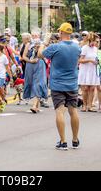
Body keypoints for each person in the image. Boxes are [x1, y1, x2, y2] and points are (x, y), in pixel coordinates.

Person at [39, 23, 81, 151]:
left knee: (59, 111)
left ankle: (63, 141)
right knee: (73, 111)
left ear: (61, 33)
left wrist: (44, 42)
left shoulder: (55, 47)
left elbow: (40, 54)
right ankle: (75, 139)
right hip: (72, 83)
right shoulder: (77, 48)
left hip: (57, 83)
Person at [22, 38, 48, 113]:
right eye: (33, 35)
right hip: (30, 65)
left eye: (36, 35)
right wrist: (30, 60)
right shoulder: (28, 44)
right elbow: (24, 56)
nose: (34, 36)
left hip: (39, 64)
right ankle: (37, 106)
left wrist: (39, 49)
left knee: (38, 83)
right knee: (31, 83)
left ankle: (34, 106)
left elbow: (44, 56)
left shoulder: (42, 44)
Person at [78, 32, 100, 112]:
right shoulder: (84, 48)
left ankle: (90, 106)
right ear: (91, 40)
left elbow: (96, 59)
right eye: (95, 41)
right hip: (85, 70)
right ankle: (84, 105)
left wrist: (97, 61)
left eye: (97, 42)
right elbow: (80, 60)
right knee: (85, 88)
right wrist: (90, 60)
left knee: (92, 88)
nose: (96, 43)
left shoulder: (95, 49)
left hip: (92, 70)